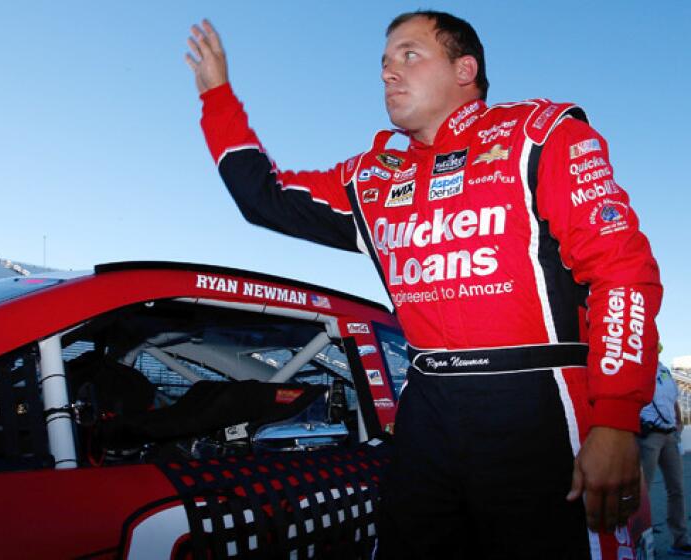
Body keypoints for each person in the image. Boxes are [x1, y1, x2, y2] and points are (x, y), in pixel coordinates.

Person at [186, 10, 662, 558]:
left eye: (409, 55)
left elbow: (621, 272)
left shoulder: (542, 133)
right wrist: (218, 97)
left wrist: (618, 423)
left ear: (465, 69)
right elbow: (262, 197)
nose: (389, 72)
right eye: (385, 63)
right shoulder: (372, 174)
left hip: (539, 405)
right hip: (427, 411)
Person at [638, 348, 691, 556]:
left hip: (670, 435)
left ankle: (680, 540)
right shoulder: (638, 370)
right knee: (642, 492)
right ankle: (640, 542)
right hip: (649, 435)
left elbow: (674, 400)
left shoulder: (665, 371)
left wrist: (678, 424)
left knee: (676, 489)